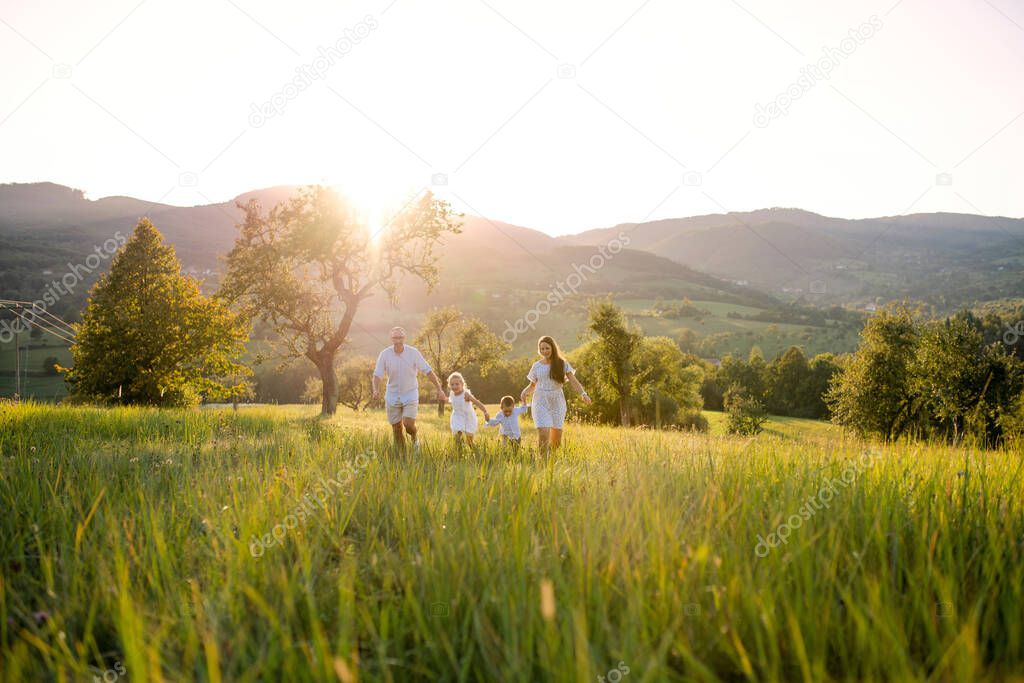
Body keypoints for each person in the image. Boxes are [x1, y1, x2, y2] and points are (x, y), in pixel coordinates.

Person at [372, 326, 446, 452]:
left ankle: (415, 439)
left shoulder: (413, 353)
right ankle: (402, 454)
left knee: (408, 423)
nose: (398, 340)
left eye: (400, 337)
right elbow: (377, 375)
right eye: (395, 337)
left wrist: (439, 388)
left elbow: (428, 371)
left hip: (410, 393)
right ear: (391, 339)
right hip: (392, 395)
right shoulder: (384, 354)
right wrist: (375, 389)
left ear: (404, 338)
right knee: (396, 428)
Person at [520, 335, 591, 455]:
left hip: (557, 401)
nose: (544, 351)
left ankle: (552, 460)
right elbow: (533, 385)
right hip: (540, 400)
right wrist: (524, 392)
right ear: (539, 350)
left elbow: (573, 381)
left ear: (552, 348)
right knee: (543, 432)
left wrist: (583, 394)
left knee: (556, 440)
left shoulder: (562, 364)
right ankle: (543, 464)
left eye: (547, 348)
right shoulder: (536, 366)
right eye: (542, 349)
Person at [446, 371, 489, 452]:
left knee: (469, 442)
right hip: (457, 417)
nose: (454, 386)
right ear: (449, 385)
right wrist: (444, 398)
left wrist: (485, 412)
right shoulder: (452, 394)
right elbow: (451, 401)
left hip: (468, 418)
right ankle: (459, 453)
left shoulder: (466, 395)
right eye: (452, 384)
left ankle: (477, 453)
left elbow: (477, 402)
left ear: (462, 384)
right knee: (457, 436)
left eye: (457, 384)